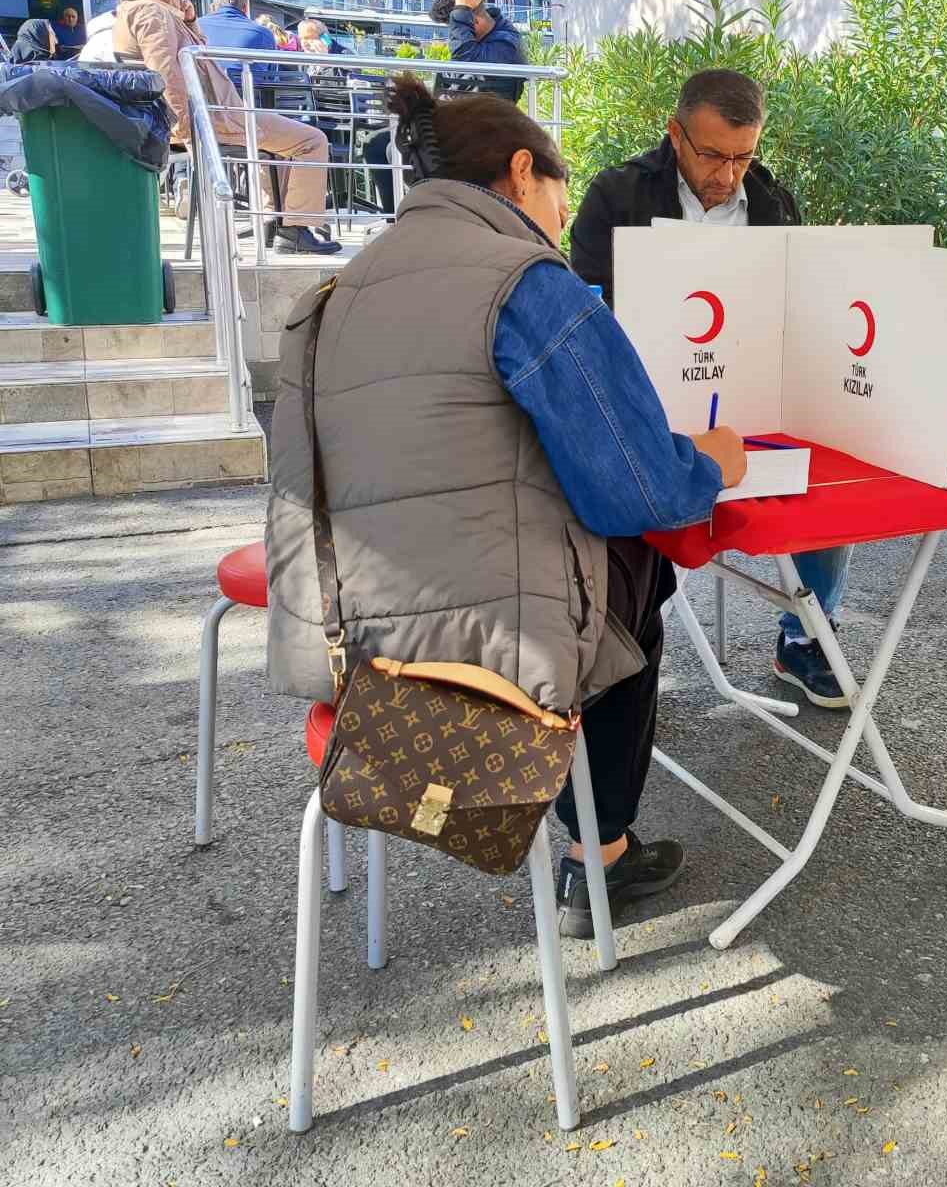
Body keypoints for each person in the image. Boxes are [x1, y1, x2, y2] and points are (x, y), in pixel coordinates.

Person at [265, 73, 749, 939]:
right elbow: (637, 487)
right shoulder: (527, 279)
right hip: (479, 664)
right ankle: (596, 853)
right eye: (558, 191)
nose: (561, 213)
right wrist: (710, 462)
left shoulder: (337, 290)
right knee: (638, 575)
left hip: (350, 655)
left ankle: (591, 834)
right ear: (525, 172)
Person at [570, 69, 858, 711]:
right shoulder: (618, 195)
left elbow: (796, 305)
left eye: (743, 157)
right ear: (675, 135)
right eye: (712, 156)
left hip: (751, 390)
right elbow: (584, 306)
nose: (728, 175)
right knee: (607, 489)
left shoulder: (773, 203)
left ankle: (806, 636)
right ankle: (621, 641)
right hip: (646, 396)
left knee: (819, 472)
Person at [112, 0, 337, 256]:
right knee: (312, 140)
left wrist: (189, 20)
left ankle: (275, 220)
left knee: (281, 142)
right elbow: (166, 74)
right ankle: (295, 228)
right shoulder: (152, 12)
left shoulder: (135, 10)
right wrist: (188, 132)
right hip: (213, 119)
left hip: (214, 116)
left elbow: (179, 62)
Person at [361, 0, 529, 215]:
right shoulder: (484, 40)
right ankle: (396, 218)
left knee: (395, 147)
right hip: (457, 121)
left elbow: (464, 61)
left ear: (475, 21)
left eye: (453, 27)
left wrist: (461, 12)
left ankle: (428, 213)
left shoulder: (504, 45)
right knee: (375, 144)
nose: (452, 36)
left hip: (480, 131)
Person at [196, 0, 278, 92]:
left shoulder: (195, 27)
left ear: (213, 7)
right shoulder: (263, 33)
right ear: (245, 8)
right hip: (251, 102)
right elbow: (271, 77)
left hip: (206, 101)